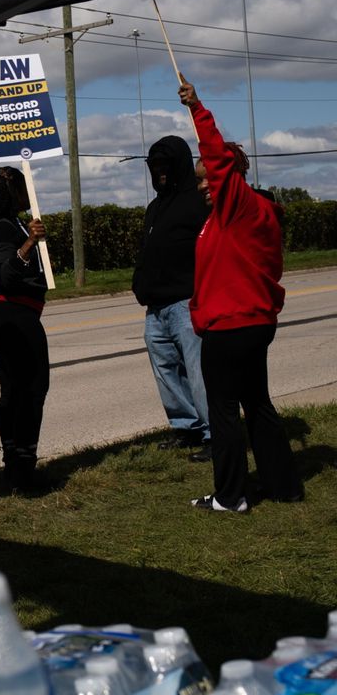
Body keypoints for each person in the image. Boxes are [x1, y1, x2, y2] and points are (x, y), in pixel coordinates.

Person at [178, 79, 304, 512]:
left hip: (231, 326)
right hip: (249, 322)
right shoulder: (241, 214)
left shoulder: (239, 204)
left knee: (224, 410)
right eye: (198, 180)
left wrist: (197, 108)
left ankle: (231, 497)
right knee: (258, 404)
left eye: (206, 177)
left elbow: (215, 155)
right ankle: (284, 485)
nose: (202, 186)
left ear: (229, 175)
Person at [0, 166, 49, 493]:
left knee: (15, 390)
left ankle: (15, 466)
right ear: (12, 190)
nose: (30, 191)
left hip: (8, 314)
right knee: (30, 390)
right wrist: (30, 242)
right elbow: (5, 272)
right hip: (10, 314)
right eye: (24, 184)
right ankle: (22, 470)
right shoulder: (5, 228)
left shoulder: (10, 223)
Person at [132, 135, 212, 462]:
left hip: (187, 302)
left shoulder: (198, 201)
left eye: (165, 166)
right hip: (156, 309)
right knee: (166, 371)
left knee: (199, 372)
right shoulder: (155, 207)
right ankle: (186, 427)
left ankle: (215, 433)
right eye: (155, 167)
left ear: (178, 164)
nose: (160, 173)